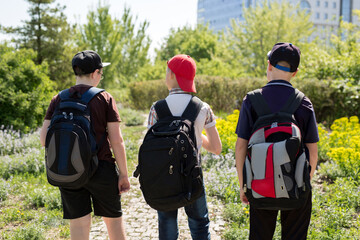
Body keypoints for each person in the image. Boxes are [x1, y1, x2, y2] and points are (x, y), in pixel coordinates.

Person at [40, 50, 130, 240]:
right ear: (94, 73)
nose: (100, 76)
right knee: (113, 221)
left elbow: (44, 139)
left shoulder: (59, 99)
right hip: (102, 169)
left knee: (79, 224)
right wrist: (123, 174)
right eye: (101, 73)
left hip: (68, 169)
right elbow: (116, 141)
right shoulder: (104, 98)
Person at [235, 43, 319, 240]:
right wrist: (303, 184)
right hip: (296, 188)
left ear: (269, 65)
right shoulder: (303, 102)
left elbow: (240, 147)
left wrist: (244, 186)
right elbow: (312, 153)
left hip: (259, 184)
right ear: (295, 72)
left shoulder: (252, 100)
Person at [147, 54, 222, 240]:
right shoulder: (202, 108)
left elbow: (150, 145)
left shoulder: (157, 108)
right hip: (193, 176)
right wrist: (194, 136)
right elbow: (216, 148)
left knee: (166, 224)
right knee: (199, 224)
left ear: (172, 75)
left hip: (165, 177)